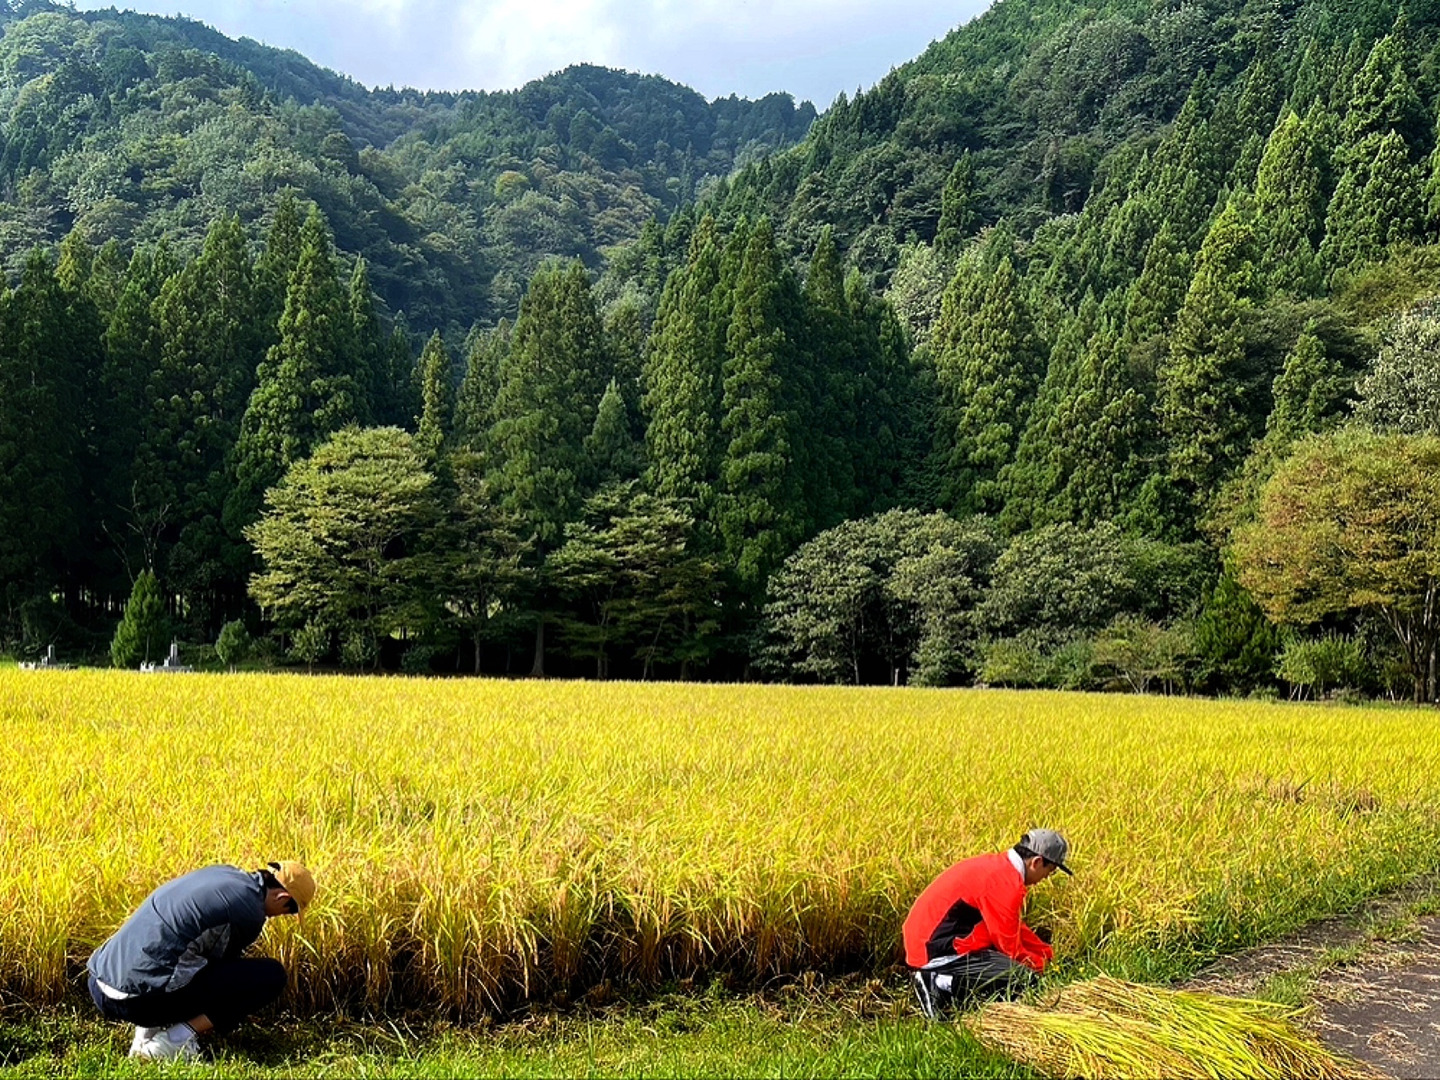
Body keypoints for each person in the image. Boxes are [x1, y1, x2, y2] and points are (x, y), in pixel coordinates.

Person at [86, 860, 316, 1061]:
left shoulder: (222, 872)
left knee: (174, 957)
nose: (280, 916)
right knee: (271, 976)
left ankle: (146, 1035)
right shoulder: (250, 911)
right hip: (138, 1002)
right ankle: (173, 1042)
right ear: (282, 897)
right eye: (290, 911)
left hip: (99, 983)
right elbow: (221, 975)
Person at [903, 829, 1072, 1018]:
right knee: (1023, 980)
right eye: (1050, 871)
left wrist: (1045, 952)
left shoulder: (998, 868)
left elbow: (1014, 926)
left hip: (930, 943)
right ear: (1037, 862)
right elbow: (1009, 947)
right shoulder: (1004, 884)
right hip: (935, 952)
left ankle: (949, 989)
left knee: (1012, 969)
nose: (1046, 878)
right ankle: (940, 981)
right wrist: (1040, 967)